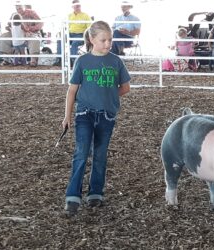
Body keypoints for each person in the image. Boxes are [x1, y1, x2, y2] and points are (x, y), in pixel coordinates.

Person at [62, 20, 131, 216]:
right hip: (84, 114)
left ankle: (95, 193)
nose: (108, 44)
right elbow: (72, 90)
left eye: (110, 40)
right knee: (81, 153)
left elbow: (125, 88)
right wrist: (67, 116)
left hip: (107, 115)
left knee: (100, 154)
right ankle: (73, 195)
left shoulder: (116, 61)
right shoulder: (82, 62)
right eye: (103, 40)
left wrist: (107, 94)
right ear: (92, 40)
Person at [53, 0, 91, 66]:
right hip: (69, 34)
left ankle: (74, 61)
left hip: (80, 34)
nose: (78, 7)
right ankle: (59, 59)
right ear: (72, 7)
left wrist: (87, 37)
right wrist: (62, 32)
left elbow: (89, 28)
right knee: (60, 40)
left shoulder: (86, 15)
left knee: (75, 43)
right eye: (76, 6)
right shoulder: (69, 16)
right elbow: (65, 27)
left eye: (79, 6)